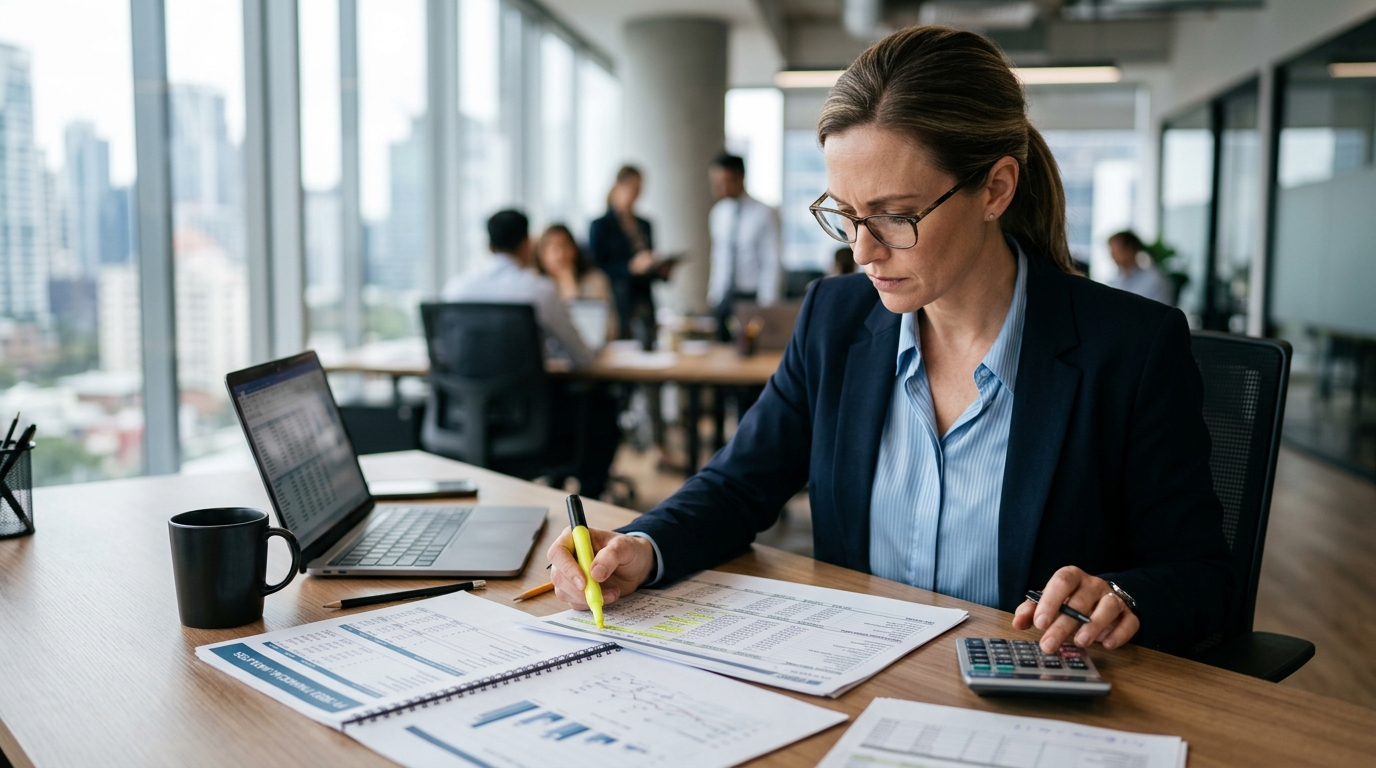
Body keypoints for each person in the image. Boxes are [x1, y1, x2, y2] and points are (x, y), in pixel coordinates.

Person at [547, 26, 1233, 657]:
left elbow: (1200, 576)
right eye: (844, 216)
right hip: (858, 680)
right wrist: (641, 544)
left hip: (1031, 700)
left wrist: (1121, 596)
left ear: (995, 187)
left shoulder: (1130, 347)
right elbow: (737, 486)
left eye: (895, 216)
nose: (863, 251)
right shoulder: (834, 318)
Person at [442, 209, 594, 370]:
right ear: (527, 244)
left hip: (464, 393)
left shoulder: (455, 289)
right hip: (522, 393)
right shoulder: (540, 290)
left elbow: (445, 350)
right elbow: (582, 358)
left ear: (489, 247)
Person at [707, 153, 782, 340]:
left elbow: (772, 261)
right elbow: (718, 257)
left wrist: (767, 305)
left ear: (740, 177)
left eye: (724, 181)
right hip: (724, 298)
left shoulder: (764, 213)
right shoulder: (718, 213)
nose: (719, 188)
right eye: (715, 182)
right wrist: (713, 295)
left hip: (752, 298)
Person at [589, 166, 666, 347]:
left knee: (648, 348)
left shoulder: (645, 225)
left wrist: (660, 269)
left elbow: (649, 268)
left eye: (639, 189)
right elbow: (597, 267)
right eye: (632, 187)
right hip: (618, 300)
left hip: (644, 301)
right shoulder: (600, 226)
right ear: (618, 186)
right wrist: (630, 267)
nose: (635, 194)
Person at [536, 224, 619, 342]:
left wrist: (573, 293)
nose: (560, 254)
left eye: (564, 245)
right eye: (552, 247)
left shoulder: (595, 280)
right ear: (541, 253)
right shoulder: (534, 283)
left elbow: (610, 329)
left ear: (574, 249)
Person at [1108, 230, 1175, 305]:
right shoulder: (1120, 278)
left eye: (1115, 250)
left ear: (1130, 249)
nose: (1112, 255)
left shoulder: (1154, 279)